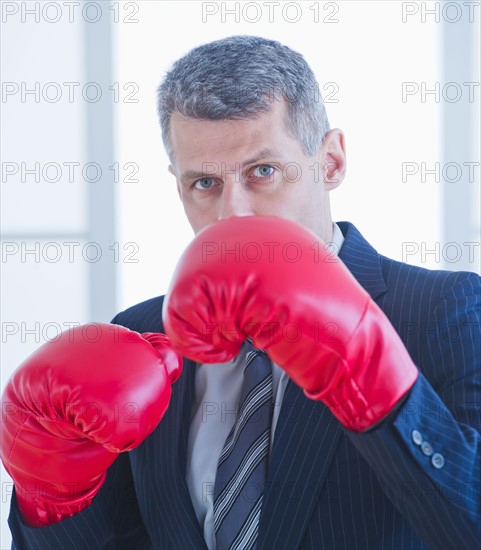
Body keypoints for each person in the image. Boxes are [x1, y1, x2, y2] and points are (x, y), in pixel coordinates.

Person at [4, 35, 481, 549]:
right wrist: (51, 494)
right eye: (204, 183)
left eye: (263, 172)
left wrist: (373, 372)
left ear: (332, 161)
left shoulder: (446, 310)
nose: (233, 213)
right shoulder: (141, 335)